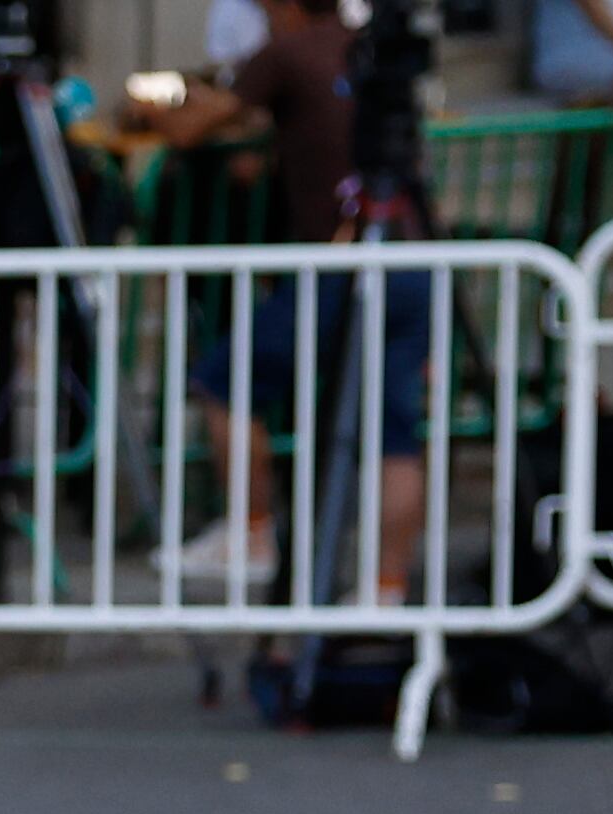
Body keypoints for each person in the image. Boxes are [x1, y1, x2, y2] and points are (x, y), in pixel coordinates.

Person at [114, 0, 434, 602]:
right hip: (412, 254)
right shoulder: (364, 47)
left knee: (223, 382)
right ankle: (386, 587)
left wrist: (149, 107)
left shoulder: (285, 52)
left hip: (342, 261)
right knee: (394, 431)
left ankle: (251, 534)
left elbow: (190, 128)